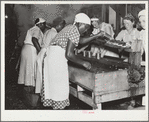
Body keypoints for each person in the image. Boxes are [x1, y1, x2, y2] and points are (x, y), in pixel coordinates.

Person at [40, 13, 104, 109]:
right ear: (80, 24)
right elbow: (69, 54)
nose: (86, 29)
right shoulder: (74, 30)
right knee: (59, 89)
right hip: (57, 59)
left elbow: (80, 41)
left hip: (52, 57)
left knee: (54, 88)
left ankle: (56, 110)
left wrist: (95, 36)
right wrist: (84, 63)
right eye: (86, 27)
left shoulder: (71, 27)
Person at [35, 17, 66, 94]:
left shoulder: (48, 31)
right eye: (62, 26)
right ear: (58, 25)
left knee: (41, 76)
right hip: (46, 54)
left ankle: (41, 95)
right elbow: (60, 45)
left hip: (41, 53)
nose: (62, 28)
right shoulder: (54, 33)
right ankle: (46, 95)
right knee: (45, 77)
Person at [18, 18, 46, 87]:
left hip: (26, 48)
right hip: (30, 49)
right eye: (44, 24)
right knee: (31, 68)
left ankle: (27, 87)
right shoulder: (37, 29)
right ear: (40, 24)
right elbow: (34, 40)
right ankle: (30, 87)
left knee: (26, 68)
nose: (45, 26)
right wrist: (40, 51)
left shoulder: (32, 29)